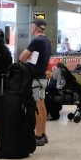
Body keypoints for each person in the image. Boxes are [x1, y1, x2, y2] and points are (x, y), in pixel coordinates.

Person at [19, 18, 52, 146]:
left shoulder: (36, 41)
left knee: (37, 106)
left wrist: (26, 60)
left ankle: (38, 135)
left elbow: (22, 57)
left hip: (35, 78)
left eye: (32, 26)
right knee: (42, 105)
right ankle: (43, 133)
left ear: (35, 27)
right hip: (43, 77)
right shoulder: (46, 41)